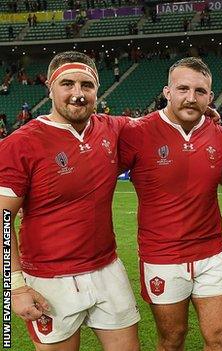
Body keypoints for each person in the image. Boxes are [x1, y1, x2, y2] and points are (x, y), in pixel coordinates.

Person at [0, 51, 140, 350]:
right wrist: (16, 285)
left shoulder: (111, 128)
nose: (78, 94)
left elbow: (159, 124)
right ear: (50, 87)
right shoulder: (20, 143)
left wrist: (205, 114)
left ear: (97, 91)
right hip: (49, 279)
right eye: (67, 84)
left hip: (107, 268)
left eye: (86, 86)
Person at [118, 57, 222, 351]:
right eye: (182, 88)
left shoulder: (221, 137)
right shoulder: (137, 132)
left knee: (220, 339)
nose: (190, 97)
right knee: (172, 339)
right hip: (162, 256)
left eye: (200, 91)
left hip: (212, 254)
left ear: (210, 97)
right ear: (167, 92)